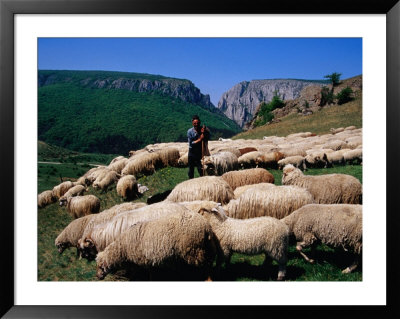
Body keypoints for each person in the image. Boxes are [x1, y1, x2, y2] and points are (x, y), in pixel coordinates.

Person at [187, 115, 210, 179]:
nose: (196, 124)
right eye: (195, 123)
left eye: (197, 123)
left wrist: (205, 132)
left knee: (200, 169)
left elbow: (207, 138)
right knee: (191, 170)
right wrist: (200, 139)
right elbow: (191, 143)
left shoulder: (202, 130)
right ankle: (190, 183)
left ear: (199, 122)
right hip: (192, 152)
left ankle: (202, 181)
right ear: (192, 123)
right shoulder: (190, 131)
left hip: (200, 152)